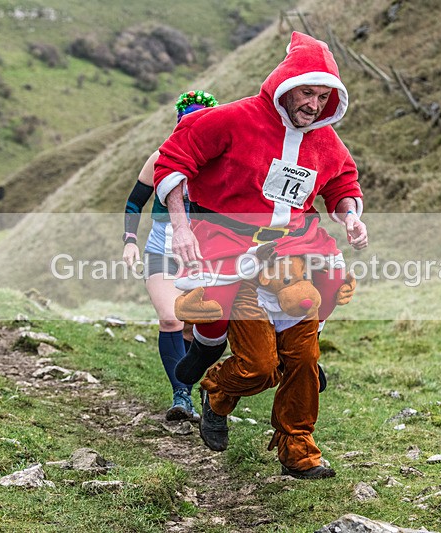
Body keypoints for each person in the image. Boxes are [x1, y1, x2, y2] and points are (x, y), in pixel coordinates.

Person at [153, 32, 367, 478]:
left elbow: (342, 184)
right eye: (307, 92)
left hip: (297, 254)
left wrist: (349, 217)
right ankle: (216, 390)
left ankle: (297, 447)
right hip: (233, 254)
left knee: (303, 358)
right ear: (286, 84)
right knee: (259, 366)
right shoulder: (230, 120)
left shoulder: (325, 140)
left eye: (323, 96)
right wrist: (180, 227)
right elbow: (174, 161)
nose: (313, 104)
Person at [122, 90, 218, 422]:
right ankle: (181, 395)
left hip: (206, 253)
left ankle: (205, 389)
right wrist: (130, 241)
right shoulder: (160, 157)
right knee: (171, 319)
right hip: (161, 249)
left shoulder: (218, 160)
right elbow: (135, 202)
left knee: (197, 327)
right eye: (185, 123)